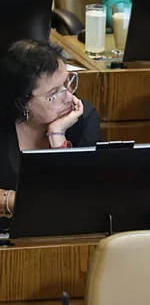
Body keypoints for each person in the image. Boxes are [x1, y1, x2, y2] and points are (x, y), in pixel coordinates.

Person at [0, 40, 101, 227]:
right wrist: (15, 201)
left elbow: (80, 195)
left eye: (67, 83)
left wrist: (57, 135)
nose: (69, 97)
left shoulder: (83, 119)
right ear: (22, 103)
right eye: (54, 93)